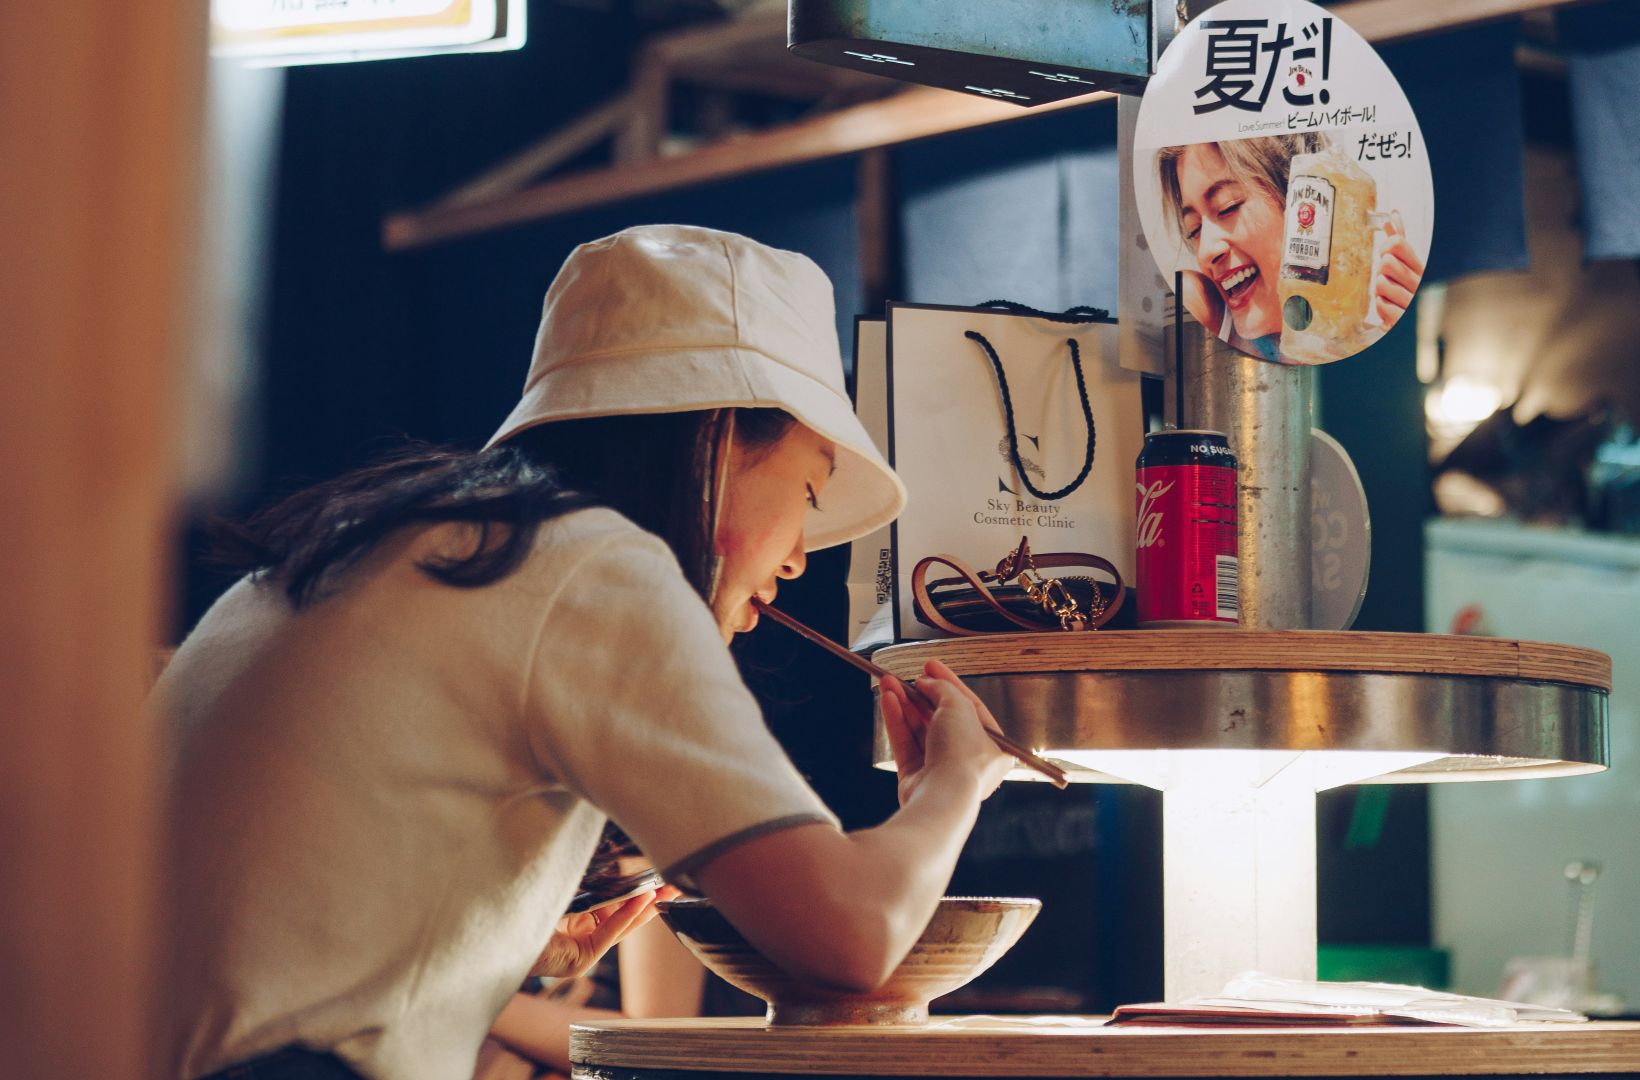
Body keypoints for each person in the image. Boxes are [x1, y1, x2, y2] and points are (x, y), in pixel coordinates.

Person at [156, 224, 1013, 1079]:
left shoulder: (386, 540)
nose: (796, 556)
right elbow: (852, 936)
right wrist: (951, 786)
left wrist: (520, 946)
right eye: (809, 488)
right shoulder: (591, 566)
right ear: (717, 440)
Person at [1155, 136, 1426, 362]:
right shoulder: (1203, 310)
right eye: (1193, 230)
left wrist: (1391, 343)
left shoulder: (1359, 339)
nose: (1205, 252)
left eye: (1229, 206)